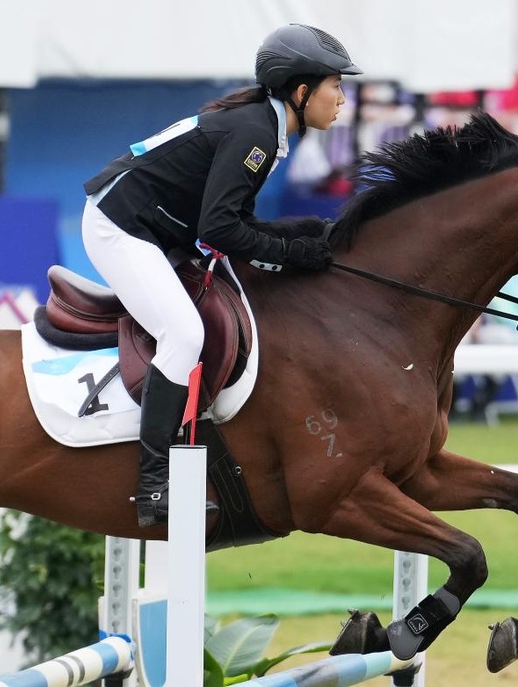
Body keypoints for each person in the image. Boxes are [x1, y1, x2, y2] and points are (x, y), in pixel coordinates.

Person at [81, 24, 362, 527]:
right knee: (185, 334)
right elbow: (219, 230)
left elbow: (234, 223)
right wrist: (292, 254)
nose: (343, 97)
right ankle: (152, 486)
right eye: (335, 85)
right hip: (120, 227)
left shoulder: (265, 127)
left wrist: (309, 235)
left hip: (155, 226)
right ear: (301, 92)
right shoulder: (256, 133)